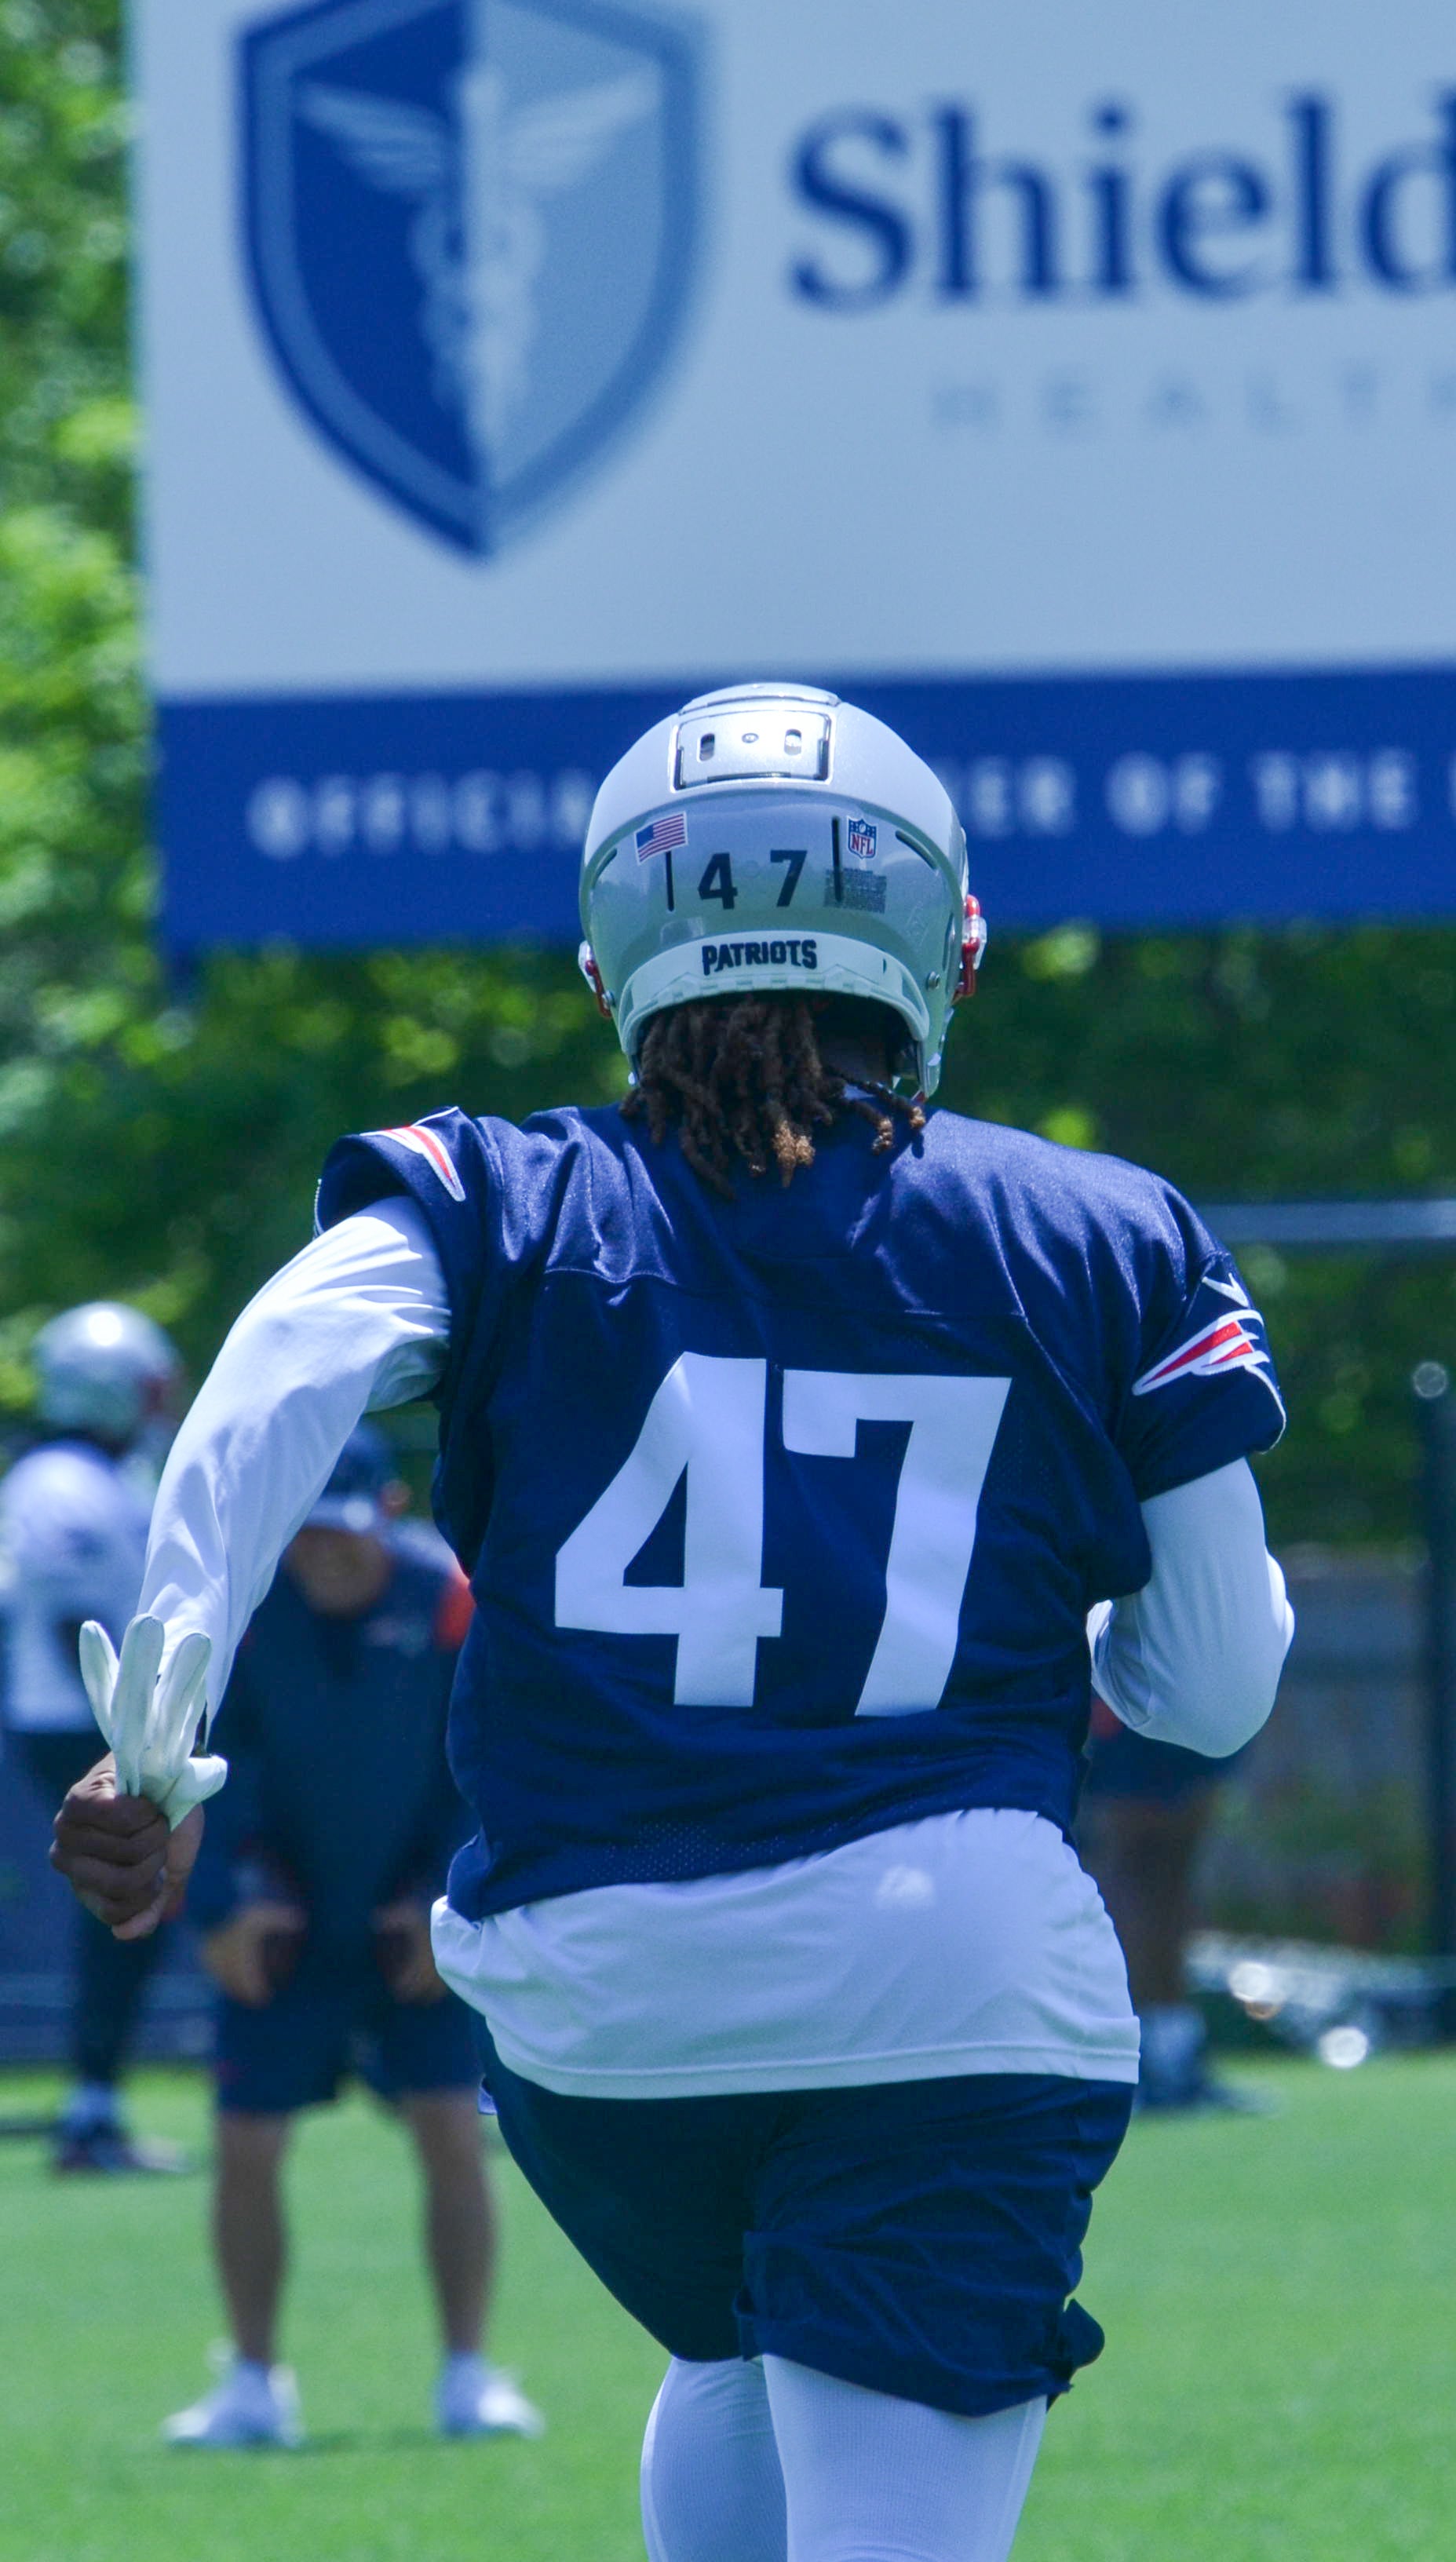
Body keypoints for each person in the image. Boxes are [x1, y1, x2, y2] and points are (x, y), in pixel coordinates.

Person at [54, 684, 1294, 2562]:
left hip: (595, 2003)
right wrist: (1101, 1664)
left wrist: (157, 1730)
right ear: (943, 945)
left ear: (609, 957)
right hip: (940, 1962)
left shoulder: (508, 1193)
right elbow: (1216, 1677)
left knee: (737, 2347)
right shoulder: (1099, 1227)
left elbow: (285, 1358)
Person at [162, 1425, 542, 2449]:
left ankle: (467, 2373)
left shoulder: (452, 1601)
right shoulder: (241, 1610)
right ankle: (251, 2381)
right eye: (308, 1529)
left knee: (452, 2136)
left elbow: (487, 1765)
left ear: (391, 1513)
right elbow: (202, 1767)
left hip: (412, 1926)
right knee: (244, 2145)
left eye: (346, 1528)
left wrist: (450, 1904)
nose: (326, 1550)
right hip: (280, 1927)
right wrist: (224, 1907)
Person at [0, 1301, 188, 2172]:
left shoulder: (107, 1480)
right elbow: (76, 1616)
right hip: (83, 1718)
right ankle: (91, 2109)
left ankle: (95, 2105)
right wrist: (131, 1718)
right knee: (124, 1896)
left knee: (130, 1902)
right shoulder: (60, 1482)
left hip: (108, 1717)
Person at [1078, 1707, 1255, 2111]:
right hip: (1129, 1696)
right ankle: (1125, 2053)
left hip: (1197, 1680)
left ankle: (1175, 2049)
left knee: (1176, 1870)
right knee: (1129, 1864)